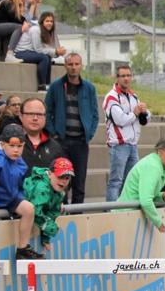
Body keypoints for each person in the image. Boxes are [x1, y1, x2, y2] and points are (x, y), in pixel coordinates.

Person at [0, 125, 39, 259]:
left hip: (11, 199)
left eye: (20, 146)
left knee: (29, 209)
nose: (16, 150)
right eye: (12, 146)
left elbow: (20, 185)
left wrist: (25, 198)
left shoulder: (19, 161)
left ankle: (22, 248)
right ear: (3, 144)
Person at [45, 52, 98, 204]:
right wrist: (54, 134)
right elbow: (47, 111)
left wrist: (90, 133)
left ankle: (78, 215)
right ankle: (61, 212)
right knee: (61, 181)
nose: (73, 67)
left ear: (81, 66)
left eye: (76, 64)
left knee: (79, 182)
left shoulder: (89, 88)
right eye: (70, 64)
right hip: (61, 141)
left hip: (81, 142)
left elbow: (95, 114)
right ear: (65, 66)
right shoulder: (56, 86)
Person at [102, 65, 149, 201]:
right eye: (123, 76)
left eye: (128, 75)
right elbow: (120, 120)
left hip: (133, 145)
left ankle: (125, 210)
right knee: (116, 182)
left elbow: (143, 118)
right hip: (119, 145)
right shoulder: (111, 97)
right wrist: (135, 112)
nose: (126, 79)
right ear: (117, 78)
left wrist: (144, 112)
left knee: (130, 183)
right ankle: (111, 213)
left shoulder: (133, 95)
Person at [117, 133, 165, 233]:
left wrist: (162, 196)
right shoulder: (153, 166)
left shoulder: (160, 167)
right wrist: (159, 223)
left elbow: (150, 195)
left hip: (131, 216)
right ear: (159, 150)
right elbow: (146, 201)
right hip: (125, 217)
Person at [22, 157, 74, 255]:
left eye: (67, 178)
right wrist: (51, 228)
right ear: (50, 174)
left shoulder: (59, 192)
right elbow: (37, 212)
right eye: (60, 177)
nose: (63, 181)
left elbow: (51, 214)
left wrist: (45, 238)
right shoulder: (42, 187)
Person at [14, 11, 67, 90]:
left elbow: (46, 49)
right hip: (21, 53)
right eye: (47, 21)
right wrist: (55, 51)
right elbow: (38, 49)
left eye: (51, 21)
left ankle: (47, 84)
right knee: (44, 58)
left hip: (31, 52)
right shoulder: (36, 30)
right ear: (42, 22)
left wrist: (57, 52)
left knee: (47, 57)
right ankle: (42, 85)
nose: (49, 23)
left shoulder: (46, 32)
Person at [18, 99, 65, 174]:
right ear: (21, 116)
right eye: (30, 114)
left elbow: (62, 176)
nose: (35, 118)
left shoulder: (55, 147)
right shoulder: (7, 142)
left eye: (39, 114)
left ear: (45, 118)